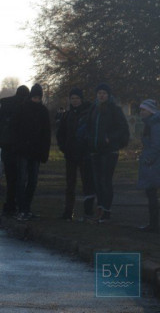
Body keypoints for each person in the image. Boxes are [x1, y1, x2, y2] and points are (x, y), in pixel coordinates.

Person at [87, 83, 130, 223]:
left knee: (105, 181)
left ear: (108, 95)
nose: (101, 95)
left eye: (104, 93)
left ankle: (106, 211)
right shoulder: (93, 108)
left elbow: (123, 128)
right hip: (95, 150)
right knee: (97, 182)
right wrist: (89, 140)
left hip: (109, 151)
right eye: (99, 93)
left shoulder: (115, 109)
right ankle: (100, 209)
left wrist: (109, 138)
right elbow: (89, 126)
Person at [12, 83, 51, 221]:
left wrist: (44, 152)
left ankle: (26, 208)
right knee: (22, 180)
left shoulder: (43, 111)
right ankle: (21, 208)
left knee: (32, 181)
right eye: (34, 97)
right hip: (23, 150)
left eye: (38, 97)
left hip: (36, 151)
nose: (36, 99)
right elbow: (15, 129)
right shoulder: (22, 109)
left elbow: (46, 134)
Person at [56, 87, 95, 221]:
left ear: (81, 99)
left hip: (85, 154)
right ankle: (68, 212)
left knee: (87, 184)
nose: (75, 101)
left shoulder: (88, 114)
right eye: (72, 98)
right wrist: (64, 148)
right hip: (71, 154)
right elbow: (60, 134)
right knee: (70, 185)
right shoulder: (67, 115)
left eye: (77, 98)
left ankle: (88, 212)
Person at [0, 85, 30, 216]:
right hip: (21, 149)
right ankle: (20, 205)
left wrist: (3, 138)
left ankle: (9, 204)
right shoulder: (25, 106)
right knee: (21, 178)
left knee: (10, 178)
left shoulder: (6, 105)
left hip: (7, 147)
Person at [137, 99, 160, 232]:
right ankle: (153, 223)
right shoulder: (151, 123)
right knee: (151, 193)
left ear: (150, 111)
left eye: (143, 109)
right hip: (153, 163)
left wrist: (148, 159)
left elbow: (156, 145)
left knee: (151, 193)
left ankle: (153, 224)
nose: (141, 112)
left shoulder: (154, 125)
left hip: (153, 164)